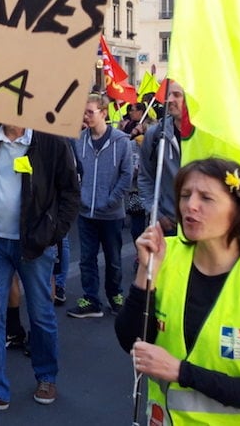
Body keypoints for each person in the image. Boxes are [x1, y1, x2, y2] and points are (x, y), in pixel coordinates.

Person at [115, 158, 240, 424]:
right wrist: (146, 272)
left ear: (238, 209)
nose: (191, 206)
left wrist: (181, 372)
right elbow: (131, 340)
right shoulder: (165, 252)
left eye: (206, 198)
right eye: (185, 195)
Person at [0, 122, 80, 409]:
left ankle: (46, 376)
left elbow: (70, 191)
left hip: (34, 244)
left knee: (41, 313)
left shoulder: (50, 142)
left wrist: (52, 233)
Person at [68, 94, 132, 319]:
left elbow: (127, 175)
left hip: (111, 213)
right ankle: (91, 299)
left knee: (113, 258)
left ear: (104, 113)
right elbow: (75, 171)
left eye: (90, 112)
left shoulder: (121, 141)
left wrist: (111, 200)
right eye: (84, 112)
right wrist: (81, 196)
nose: (86, 116)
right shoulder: (79, 140)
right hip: (86, 211)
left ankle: (115, 295)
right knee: (87, 258)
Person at [138, 80, 186, 234]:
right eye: (168, 94)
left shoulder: (207, 136)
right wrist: (156, 214)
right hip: (168, 224)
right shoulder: (155, 134)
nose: (170, 99)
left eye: (176, 95)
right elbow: (145, 177)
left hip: (202, 225)